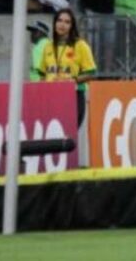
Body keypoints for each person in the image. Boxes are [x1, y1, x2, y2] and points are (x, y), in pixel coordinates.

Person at [36, 9, 96, 167]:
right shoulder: (48, 47)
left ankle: (69, 167)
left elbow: (91, 72)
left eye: (67, 22)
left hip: (73, 96)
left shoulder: (80, 45)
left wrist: (73, 80)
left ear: (72, 26)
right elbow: (42, 74)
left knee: (68, 133)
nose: (62, 25)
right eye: (59, 20)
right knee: (51, 134)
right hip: (51, 97)